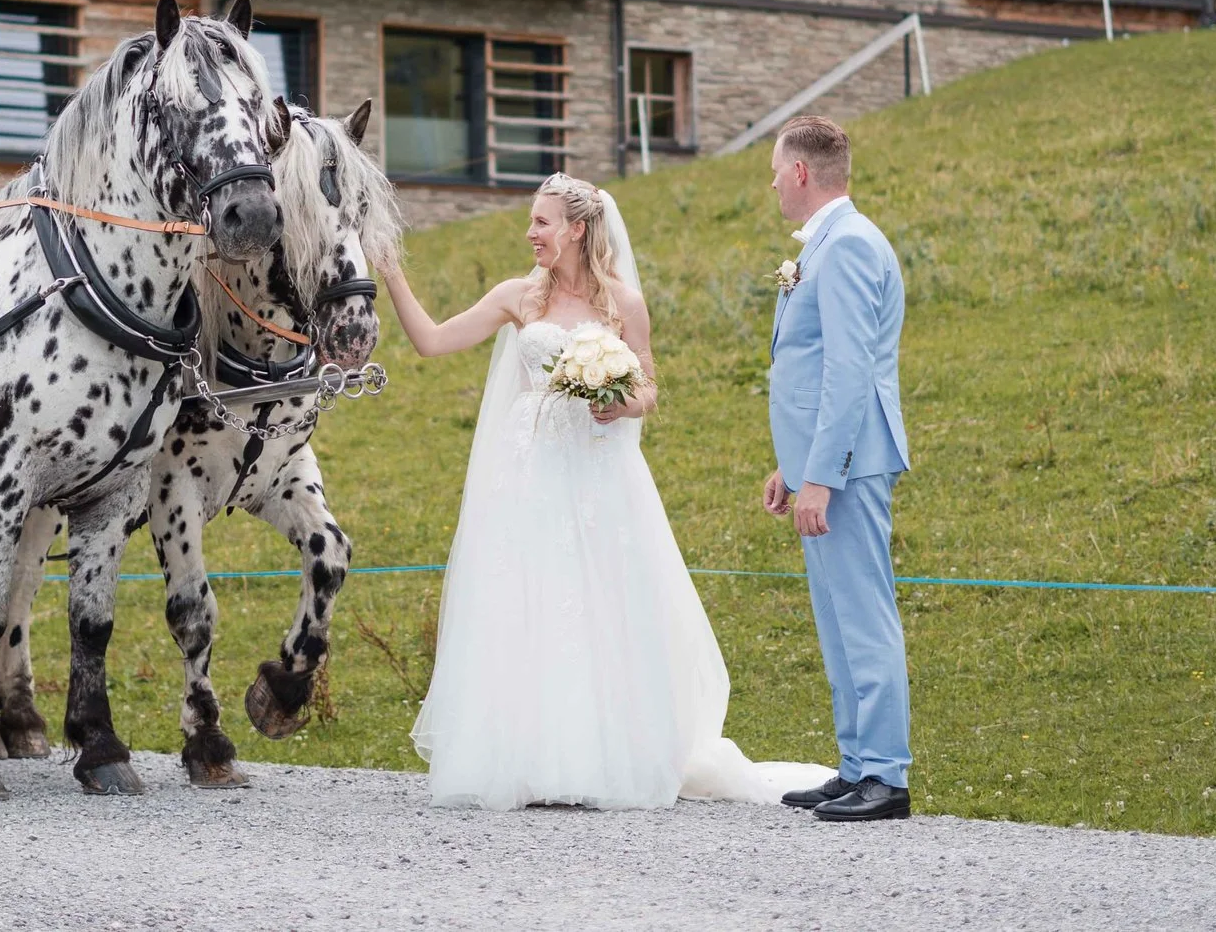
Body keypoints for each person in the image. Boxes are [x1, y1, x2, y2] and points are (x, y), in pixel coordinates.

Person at [378, 172, 827, 810]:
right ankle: (525, 759)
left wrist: (620, 403)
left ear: (577, 229)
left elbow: (648, 388)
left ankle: (598, 759)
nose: (530, 232)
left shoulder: (623, 304)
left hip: (597, 477)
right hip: (527, 475)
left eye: (541, 221)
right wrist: (392, 271)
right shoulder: (516, 298)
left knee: (598, 604)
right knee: (524, 602)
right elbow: (430, 341)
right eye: (531, 221)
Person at [761, 115, 913, 822]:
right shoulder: (828, 243)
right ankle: (855, 764)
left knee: (863, 614)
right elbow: (814, 368)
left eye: (774, 170)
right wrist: (793, 469)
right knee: (835, 618)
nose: (771, 183)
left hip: (850, 467)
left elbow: (850, 371)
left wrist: (823, 474)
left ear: (800, 172)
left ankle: (886, 773)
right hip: (823, 465)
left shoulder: (848, 245)